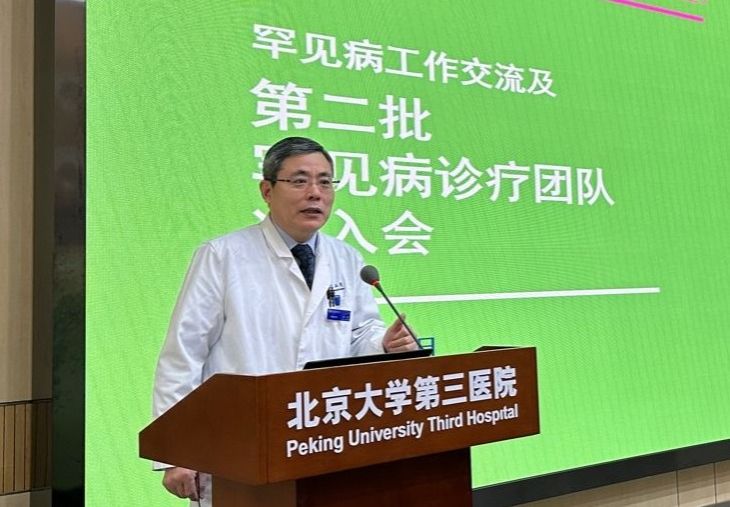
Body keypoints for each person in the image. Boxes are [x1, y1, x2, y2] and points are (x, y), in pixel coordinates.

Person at [152, 136, 417, 505]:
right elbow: (183, 354)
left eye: (325, 182)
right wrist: (177, 451)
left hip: (324, 439)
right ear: (267, 190)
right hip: (242, 444)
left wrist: (383, 344)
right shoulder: (223, 255)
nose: (315, 193)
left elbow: (358, 333)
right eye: (299, 181)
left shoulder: (347, 258)